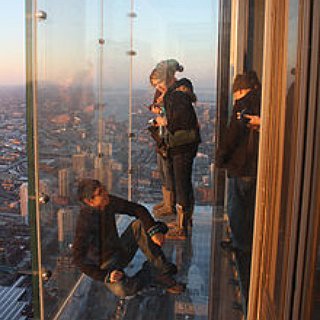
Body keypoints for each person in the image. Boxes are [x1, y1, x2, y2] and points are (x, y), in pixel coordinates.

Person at [72, 179, 184, 298]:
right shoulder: (85, 222)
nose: (105, 193)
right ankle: (154, 270)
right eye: (100, 192)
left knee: (138, 226)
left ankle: (160, 271)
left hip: (119, 250)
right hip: (106, 266)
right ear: (90, 201)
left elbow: (137, 209)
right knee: (124, 290)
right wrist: (105, 275)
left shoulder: (108, 202)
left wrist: (153, 231)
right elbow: (78, 259)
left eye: (103, 188)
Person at [216, 71, 261, 299]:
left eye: (236, 92)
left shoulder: (243, 105)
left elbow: (232, 135)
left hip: (241, 165)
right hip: (255, 166)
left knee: (237, 207)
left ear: (241, 90)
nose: (235, 97)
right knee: (249, 207)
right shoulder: (266, 102)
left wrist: (221, 158)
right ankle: (247, 244)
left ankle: (242, 246)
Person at [149, 59, 201, 240]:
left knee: (182, 184)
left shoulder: (176, 95)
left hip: (182, 146)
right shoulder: (178, 92)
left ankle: (182, 228)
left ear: (166, 79)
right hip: (184, 145)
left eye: (158, 83)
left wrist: (164, 122)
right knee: (183, 183)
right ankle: (182, 222)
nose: (158, 88)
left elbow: (182, 121)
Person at [148, 90, 176, 218]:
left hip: (168, 142)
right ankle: (167, 202)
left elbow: (171, 119)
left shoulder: (174, 101)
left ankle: (170, 205)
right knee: (163, 171)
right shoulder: (165, 104)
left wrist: (161, 116)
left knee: (168, 171)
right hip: (162, 141)